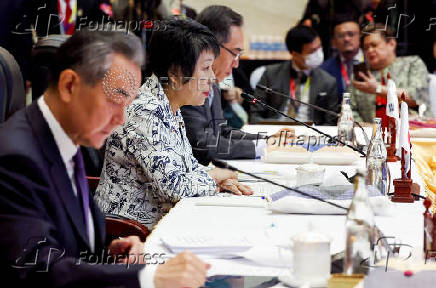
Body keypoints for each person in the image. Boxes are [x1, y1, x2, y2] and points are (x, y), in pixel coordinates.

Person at [0, 30, 210, 288]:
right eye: (114, 99)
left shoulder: (66, 136)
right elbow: (37, 270)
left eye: (128, 102)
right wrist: (145, 278)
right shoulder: (16, 159)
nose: (122, 118)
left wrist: (110, 254)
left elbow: (69, 245)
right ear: (69, 85)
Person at [95, 18, 253, 231]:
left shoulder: (168, 105)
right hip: (131, 234)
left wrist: (216, 179)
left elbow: (186, 168)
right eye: (206, 68)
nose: (212, 78)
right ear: (176, 73)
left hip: (166, 221)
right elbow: (176, 188)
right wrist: (215, 176)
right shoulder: (145, 111)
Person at [180, 5, 279, 166]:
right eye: (235, 53)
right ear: (211, 46)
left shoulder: (213, 80)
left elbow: (221, 130)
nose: (236, 64)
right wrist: (261, 147)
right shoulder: (187, 82)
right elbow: (204, 145)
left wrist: (267, 142)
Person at [252, 25, 338, 125]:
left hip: (311, 133)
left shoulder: (328, 81)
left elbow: (331, 122)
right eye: (312, 51)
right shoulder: (270, 74)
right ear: (295, 54)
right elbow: (255, 111)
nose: (318, 54)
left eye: (319, 47)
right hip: (275, 130)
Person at [350, 23, 431, 122]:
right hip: (370, 133)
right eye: (366, 48)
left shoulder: (412, 63)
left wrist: (378, 89)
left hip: (413, 131)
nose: (370, 50)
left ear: (391, 44)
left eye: (374, 45)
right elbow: (350, 110)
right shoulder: (361, 75)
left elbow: (417, 97)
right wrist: (364, 128)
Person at [320, 17, 364, 102]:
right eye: (340, 36)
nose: (346, 39)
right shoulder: (324, 69)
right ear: (333, 42)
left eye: (351, 34)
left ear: (360, 37)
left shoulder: (374, 61)